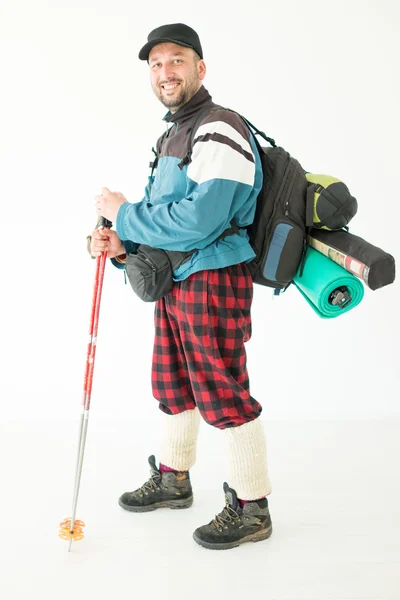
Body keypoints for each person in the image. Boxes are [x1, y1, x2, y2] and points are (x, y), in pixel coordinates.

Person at [90, 23, 272, 550]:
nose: (165, 72)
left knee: (221, 389)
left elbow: (200, 221)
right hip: (179, 280)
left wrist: (124, 213)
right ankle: (174, 480)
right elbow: (164, 222)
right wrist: (124, 247)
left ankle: (252, 507)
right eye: (155, 64)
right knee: (173, 384)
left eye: (176, 61)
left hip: (214, 276)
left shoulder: (220, 127)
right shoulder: (174, 132)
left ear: (200, 67)